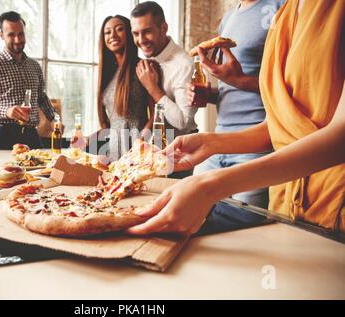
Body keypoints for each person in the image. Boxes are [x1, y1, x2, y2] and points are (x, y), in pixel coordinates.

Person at [127, 0, 345, 236]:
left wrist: (213, 185)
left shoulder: (282, 9)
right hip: (287, 200)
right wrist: (211, 141)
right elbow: (283, 121)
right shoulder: (285, 13)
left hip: (333, 203)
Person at [187, 0, 285, 233]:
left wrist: (240, 81)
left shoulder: (282, 7)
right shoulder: (230, 18)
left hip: (257, 144)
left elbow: (294, 89)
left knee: (246, 232)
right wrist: (208, 95)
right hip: (216, 143)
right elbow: (229, 84)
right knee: (193, 224)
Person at [0, 11, 55, 149]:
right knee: (8, 171)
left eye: (21, 34)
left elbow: (41, 97)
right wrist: (6, 111)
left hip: (32, 134)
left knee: (43, 171)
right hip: (5, 136)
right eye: (11, 34)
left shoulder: (34, 66)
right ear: (2, 35)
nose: (17, 39)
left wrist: (54, 119)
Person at [130, 1, 197, 141]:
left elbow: (184, 123)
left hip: (180, 151)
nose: (141, 40)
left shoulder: (183, 64)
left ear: (164, 28)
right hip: (153, 147)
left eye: (147, 32)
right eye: (136, 34)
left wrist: (153, 88)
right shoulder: (147, 61)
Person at [95, 15, 155, 160]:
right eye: (107, 32)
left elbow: (156, 115)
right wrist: (86, 139)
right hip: (113, 151)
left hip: (138, 149)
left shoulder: (144, 67)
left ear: (129, 33)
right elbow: (112, 123)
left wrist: (140, 142)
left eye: (119, 29)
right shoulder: (107, 73)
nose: (113, 35)